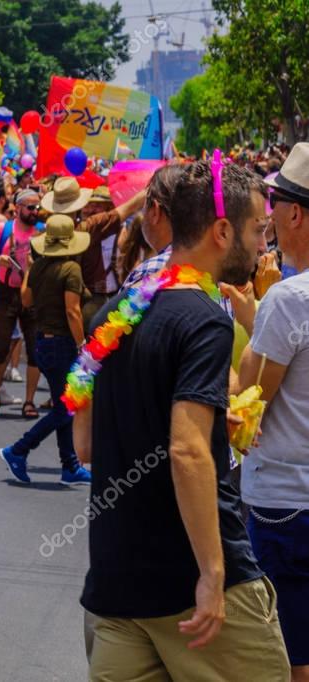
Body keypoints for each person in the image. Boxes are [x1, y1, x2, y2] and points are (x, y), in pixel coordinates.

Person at [75, 160, 290, 680]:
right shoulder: (204, 320)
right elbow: (188, 450)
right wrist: (213, 574)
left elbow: (85, 445)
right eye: (259, 230)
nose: (263, 245)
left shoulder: (116, 313)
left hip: (116, 587)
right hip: (194, 586)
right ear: (221, 231)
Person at [238, 142, 309, 682]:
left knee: (287, 658)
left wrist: (253, 314)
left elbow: (250, 397)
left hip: (286, 504)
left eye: (274, 205)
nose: (268, 219)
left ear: (296, 214)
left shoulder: (288, 299)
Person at [0, 214, 91, 485]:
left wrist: (28, 271)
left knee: (64, 404)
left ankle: (69, 465)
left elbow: (26, 300)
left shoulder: (38, 267)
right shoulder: (71, 269)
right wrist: (82, 345)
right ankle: (19, 449)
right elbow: (73, 310)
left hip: (43, 341)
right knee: (66, 408)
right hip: (62, 343)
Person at [0, 189, 44, 418]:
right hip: (6, 293)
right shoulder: (3, 229)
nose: (35, 211)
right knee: (0, 346)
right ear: (17, 208)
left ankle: (29, 401)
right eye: (30, 207)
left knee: (35, 350)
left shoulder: (42, 233)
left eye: (37, 207)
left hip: (33, 295)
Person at [75, 184, 147, 329]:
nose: (90, 209)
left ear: (108, 208)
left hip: (117, 294)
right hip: (93, 297)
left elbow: (132, 261)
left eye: (96, 206)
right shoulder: (85, 231)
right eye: (87, 205)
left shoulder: (123, 231)